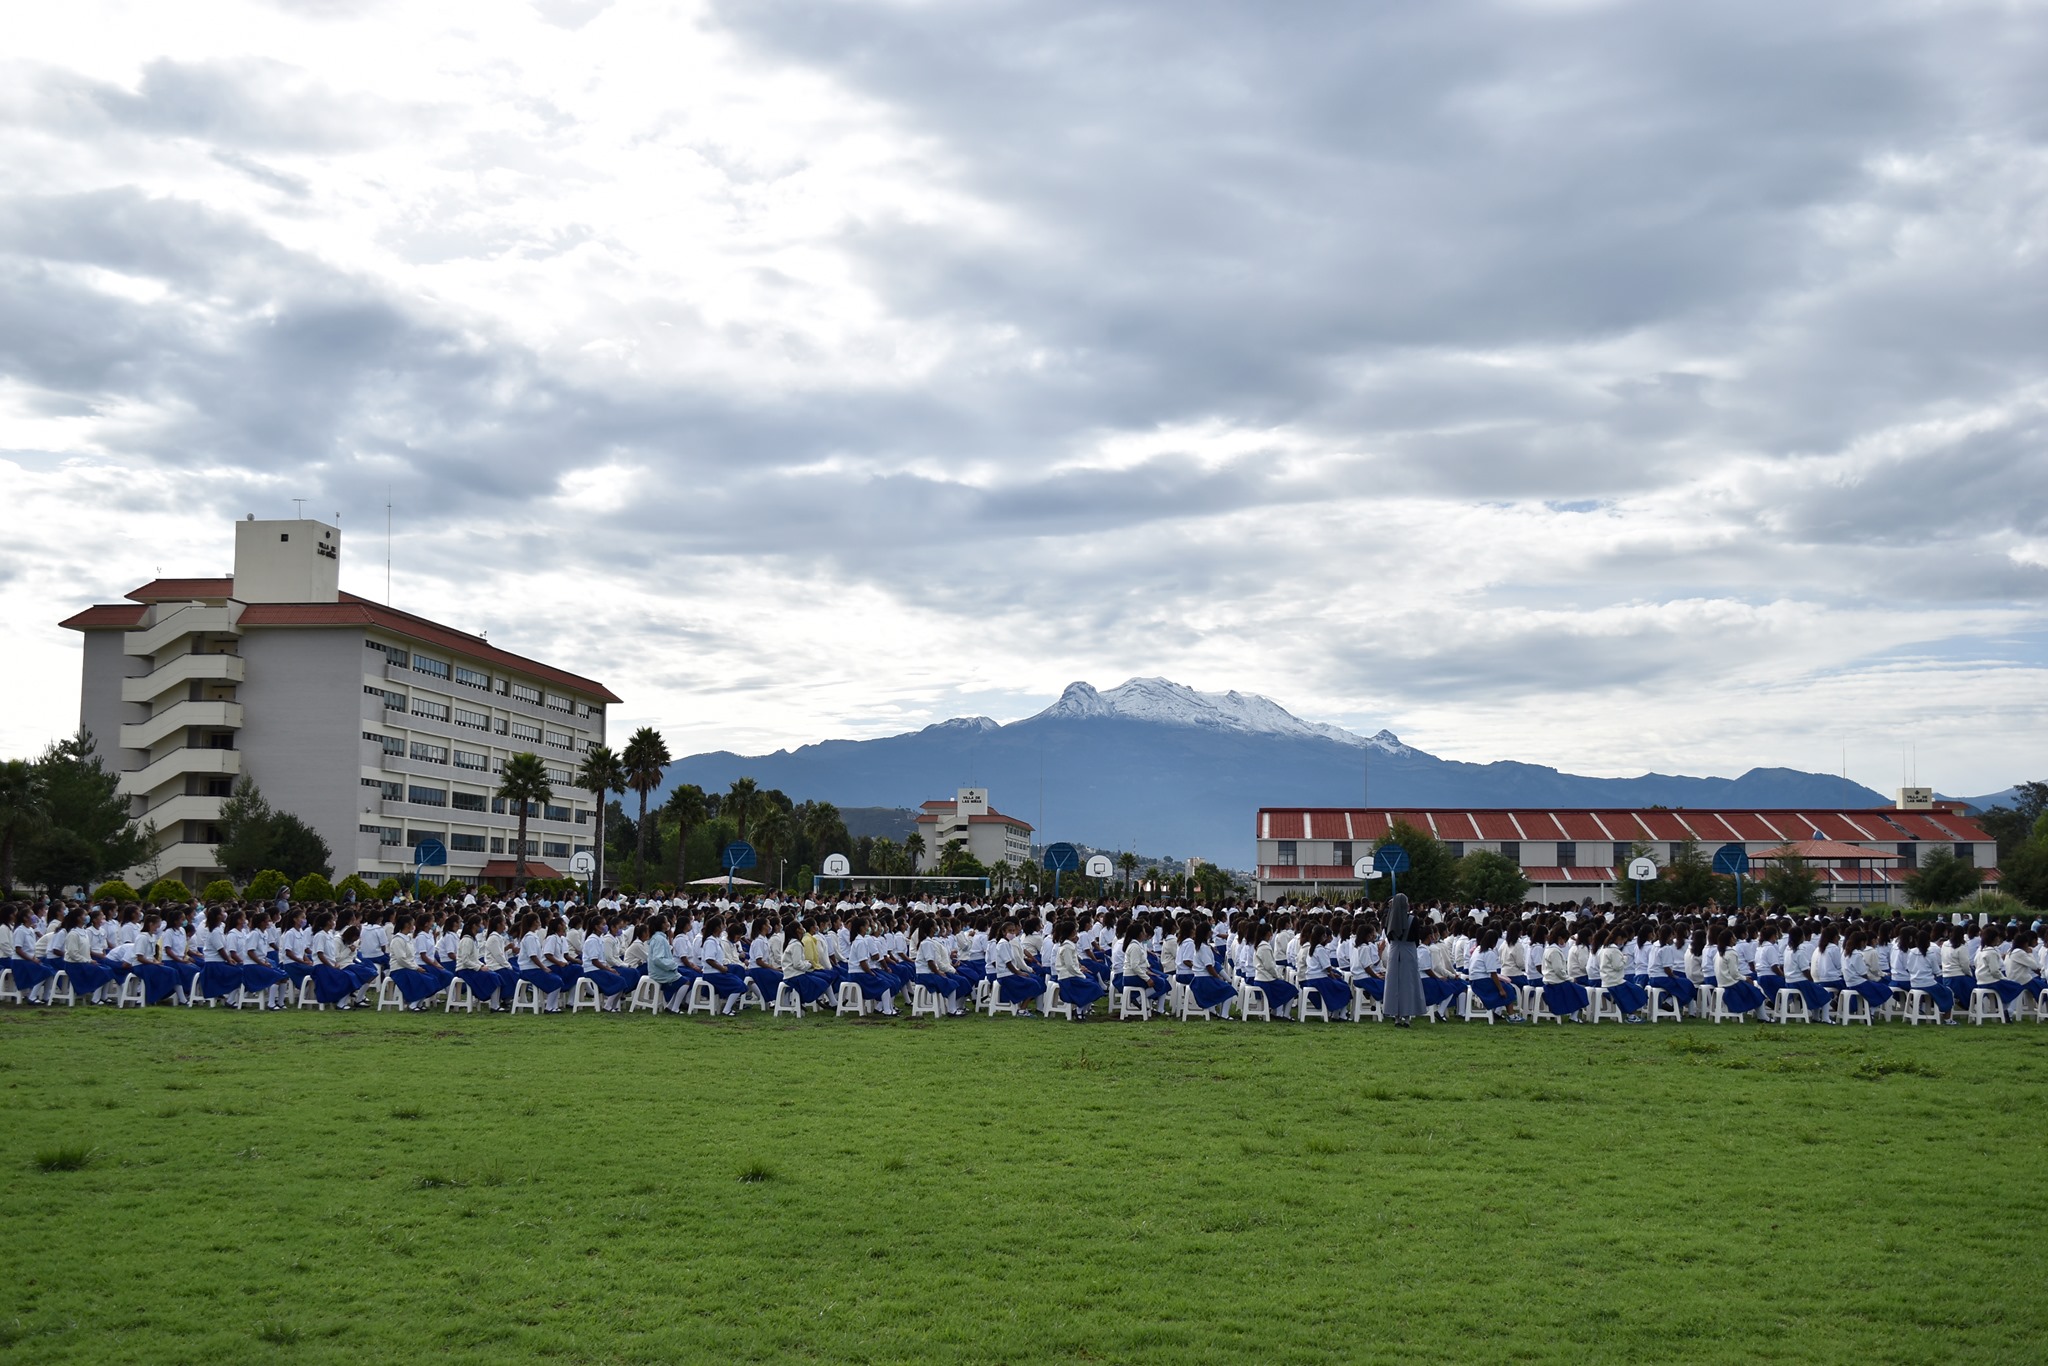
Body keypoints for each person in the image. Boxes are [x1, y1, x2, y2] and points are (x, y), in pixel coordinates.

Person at [1380, 893, 1426, 1027]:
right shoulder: (1413, 919)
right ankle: (1407, 1016)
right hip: (1408, 951)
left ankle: (1396, 1016)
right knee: (1408, 984)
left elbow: (1389, 938)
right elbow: (1416, 938)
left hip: (1394, 952)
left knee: (1394, 984)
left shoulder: (1389, 919)